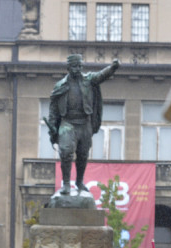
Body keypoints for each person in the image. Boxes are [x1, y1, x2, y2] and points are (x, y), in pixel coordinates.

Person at [47, 54, 120, 195]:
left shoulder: (88, 80)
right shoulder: (60, 85)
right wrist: (52, 126)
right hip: (68, 123)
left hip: (84, 123)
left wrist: (113, 67)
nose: (78, 69)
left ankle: (79, 182)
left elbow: (101, 76)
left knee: (82, 154)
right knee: (66, 152)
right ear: (68, 68)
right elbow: (53, 109)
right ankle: (66, 184)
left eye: (80, 66)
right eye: (75, 66)